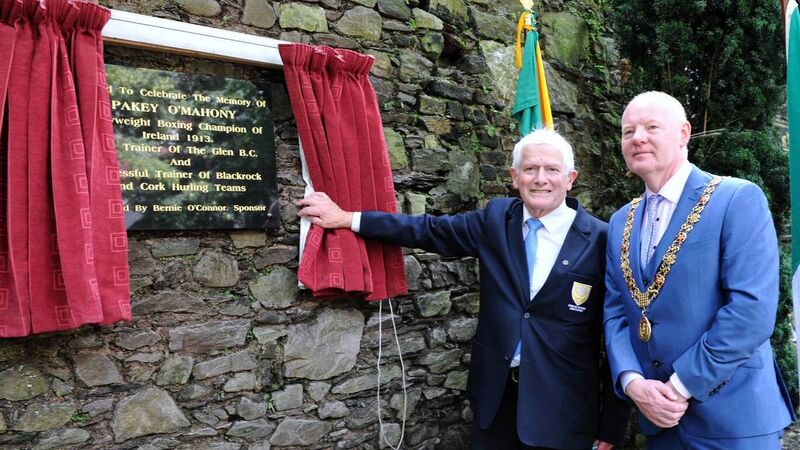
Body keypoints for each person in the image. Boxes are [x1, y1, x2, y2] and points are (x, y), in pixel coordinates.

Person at [297, 129, 629, 449]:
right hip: (495, 404)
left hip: (563, 411)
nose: (540, 178)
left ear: (570, 179)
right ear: (515, 177)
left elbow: (617, 333)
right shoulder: (496, 220)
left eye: (552, 170)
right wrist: (349, 219)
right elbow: (427, 230)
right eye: (530, 169)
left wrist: (612, 423)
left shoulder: (602, 240)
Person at [603, 91, 796, 449]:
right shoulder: (620, 221)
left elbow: (751, 312)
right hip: (659, 422)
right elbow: (615, 313)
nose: (637, 138)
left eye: (652, 127)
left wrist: (679, 387)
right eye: (628, 131)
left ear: (684, 133)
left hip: (734, 420)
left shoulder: (736, 199)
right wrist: (633, 383)